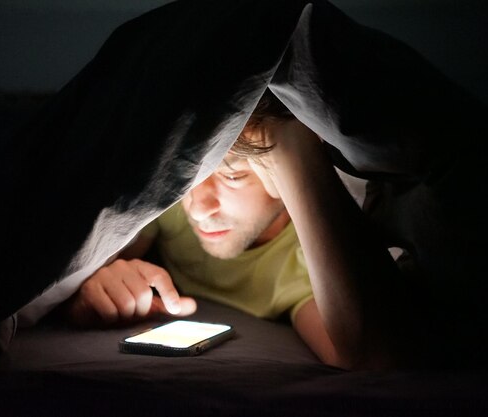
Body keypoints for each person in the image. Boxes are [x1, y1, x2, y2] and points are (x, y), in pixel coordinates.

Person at [62, 91, 413, 370]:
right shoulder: (172, 205)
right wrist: (88, 292)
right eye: (187, 177)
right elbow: (79, 260)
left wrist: (292, 142)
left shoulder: (306, 263)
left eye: (233, 176)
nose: (197, 208)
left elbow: (368, 355)